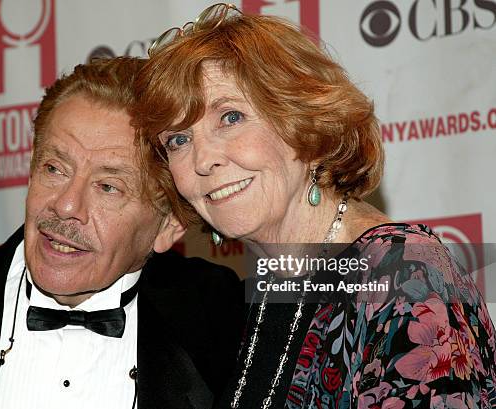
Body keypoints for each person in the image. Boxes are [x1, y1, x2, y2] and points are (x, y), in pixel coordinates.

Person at [133, 4, 496, 408]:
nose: (203, 160)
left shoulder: (404, 276)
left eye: (230, 117)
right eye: (178, 140)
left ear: (303, 123)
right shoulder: (270, 286)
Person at [0, 57, 244, 409]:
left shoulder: (224, 321)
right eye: (55, 168)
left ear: (168, 226)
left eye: (108, 187)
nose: (66, 205)